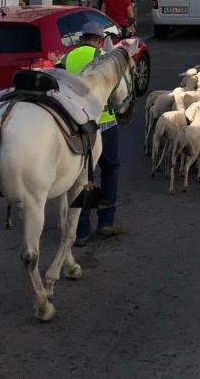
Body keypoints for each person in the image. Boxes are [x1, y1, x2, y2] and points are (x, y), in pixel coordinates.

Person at [60, 21, 121, 245]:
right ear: (98, 39)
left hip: (76, 124)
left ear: (81, 38)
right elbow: (117, 91)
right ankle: (106, 221)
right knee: (110, 169)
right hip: (105, 123)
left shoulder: (67, 58)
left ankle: (81, 229)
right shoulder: (105, 57)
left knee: (82, 176)